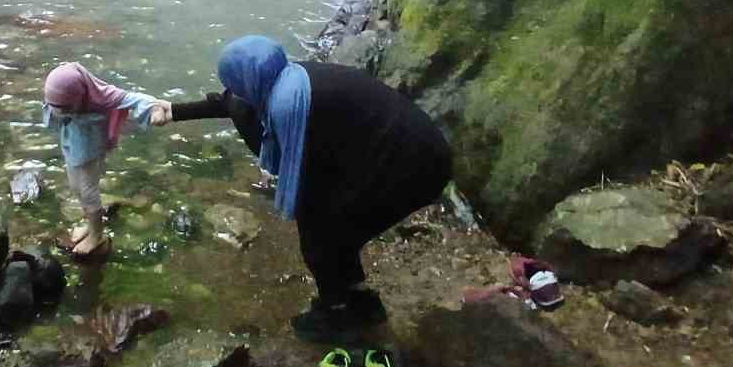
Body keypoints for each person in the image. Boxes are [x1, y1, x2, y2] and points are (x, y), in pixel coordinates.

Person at [169, 35, 452, 341]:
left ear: (249, 82)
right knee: (333, 230)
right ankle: (357, 299)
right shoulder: (287, 77)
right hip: (400, 149)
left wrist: (309, 213)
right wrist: (173, 111)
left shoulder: (293, 108)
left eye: (234, 83)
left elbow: (313, 181)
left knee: (322, 235)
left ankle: (338, 315)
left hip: (414, 167)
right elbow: (230, 102)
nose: (233, 91)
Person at [43, 63, 172, 258]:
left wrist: (154, 109)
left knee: (88, 192)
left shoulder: (101, 97)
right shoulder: (62, 101)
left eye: (64, 108)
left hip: (90, 154)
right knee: (75, 187)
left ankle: (97, 235)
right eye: (53, 106)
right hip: (72, 148)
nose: (57, 112)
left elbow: (134, 98)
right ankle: (89, 224)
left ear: (80, 97)